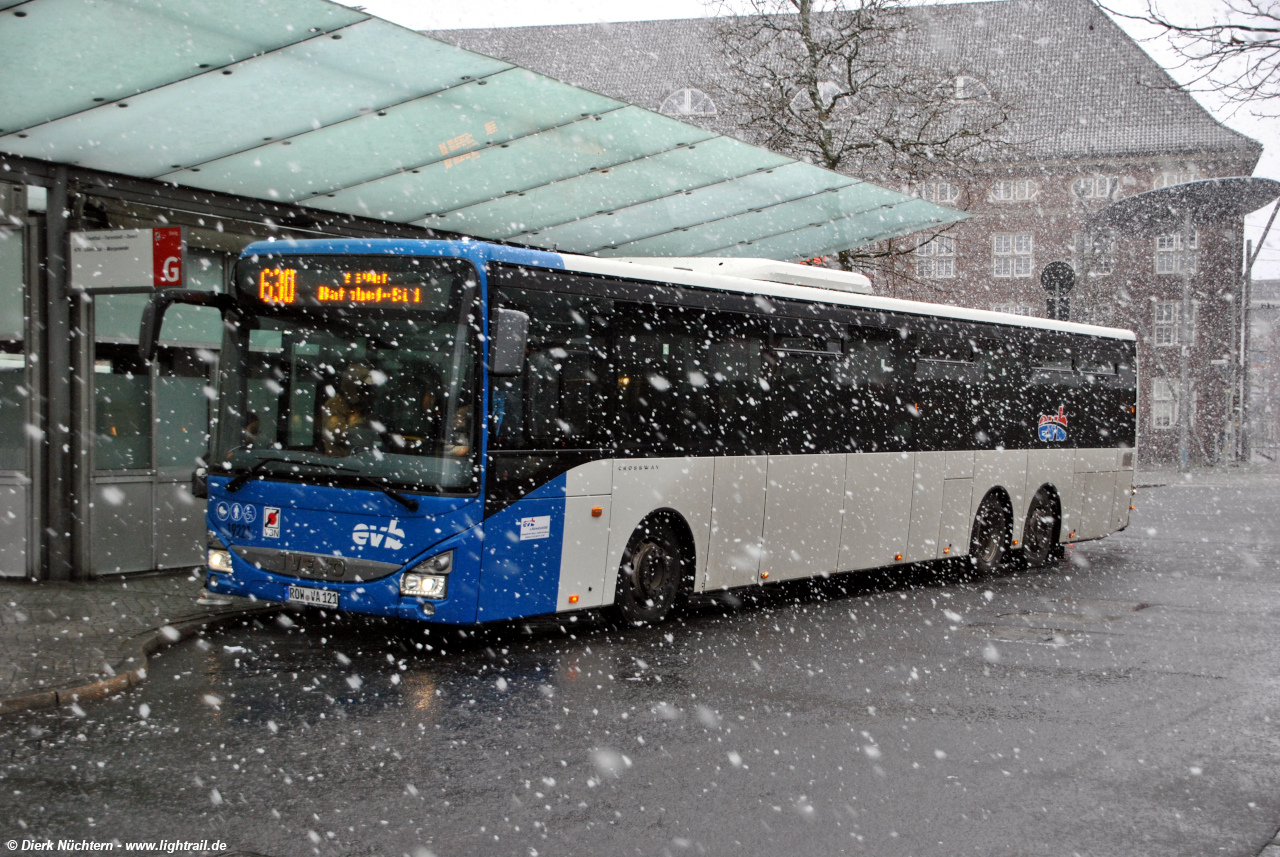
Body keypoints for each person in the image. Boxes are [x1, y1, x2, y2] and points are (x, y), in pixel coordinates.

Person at [320, 362, 375, 456]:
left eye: (366, 388)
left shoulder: (361, 406)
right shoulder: (334, 405)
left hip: (364, 460)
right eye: (361, 387)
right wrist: (359, 420)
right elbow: (337, 435)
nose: (364, 392)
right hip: (340, 461)